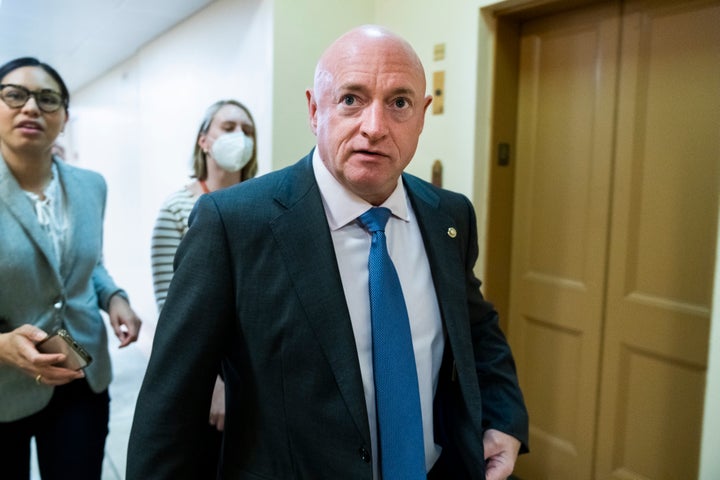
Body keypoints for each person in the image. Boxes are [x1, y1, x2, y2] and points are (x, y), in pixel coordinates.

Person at [128, 25, 528, 480]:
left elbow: (476, 330)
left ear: (422, 115)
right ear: (315, 110)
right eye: (351, 99)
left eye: (399, 103)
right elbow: (171, 407)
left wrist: (503, 416)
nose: (374, 128)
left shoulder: (449, 216)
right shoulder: (232, 223)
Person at [0, 57, 142, 479]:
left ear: (64, 117)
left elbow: (90, 262)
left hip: (81, 370)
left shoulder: (89, 186)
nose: (31, 108)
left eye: (47, 99)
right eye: (14, 95)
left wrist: (114, 296)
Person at [150, 99, 258, 474]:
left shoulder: (265, 204)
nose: (240, 137)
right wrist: (214, 383)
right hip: (206, 376)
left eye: (247, 131)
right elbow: (171, 310)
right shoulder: (178, 209)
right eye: (228, 128)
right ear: (204, 141)